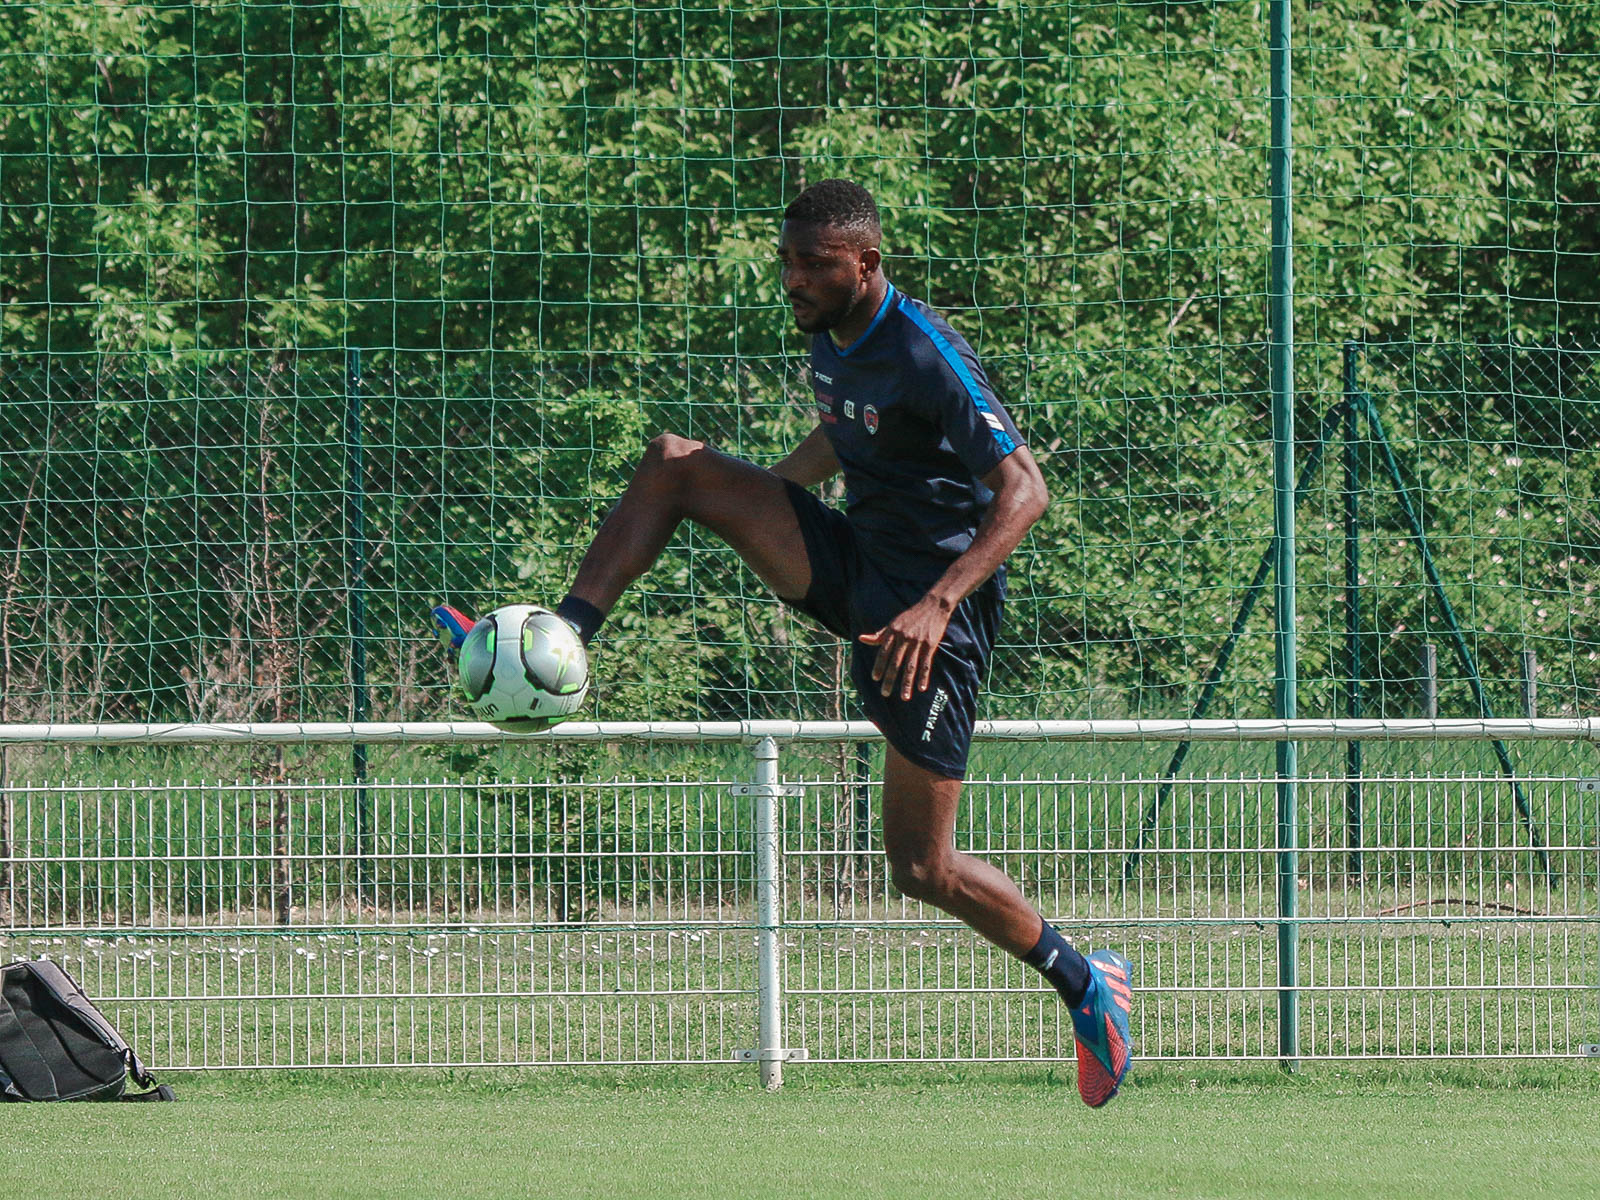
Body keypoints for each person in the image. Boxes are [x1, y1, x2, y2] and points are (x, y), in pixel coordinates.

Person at [434, 179, 1133, 1107]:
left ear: (866, 264)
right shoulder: (831, 339)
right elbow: (846, 438)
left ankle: (1087, 983)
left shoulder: (927, 352)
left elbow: (1026, 490)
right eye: (788, 261)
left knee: (920, 868)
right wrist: (759, 501)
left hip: (929, 620)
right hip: (856, 564)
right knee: (679, 467)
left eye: (815, 264)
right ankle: (562, 635)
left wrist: (936, 604)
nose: (794, 280)